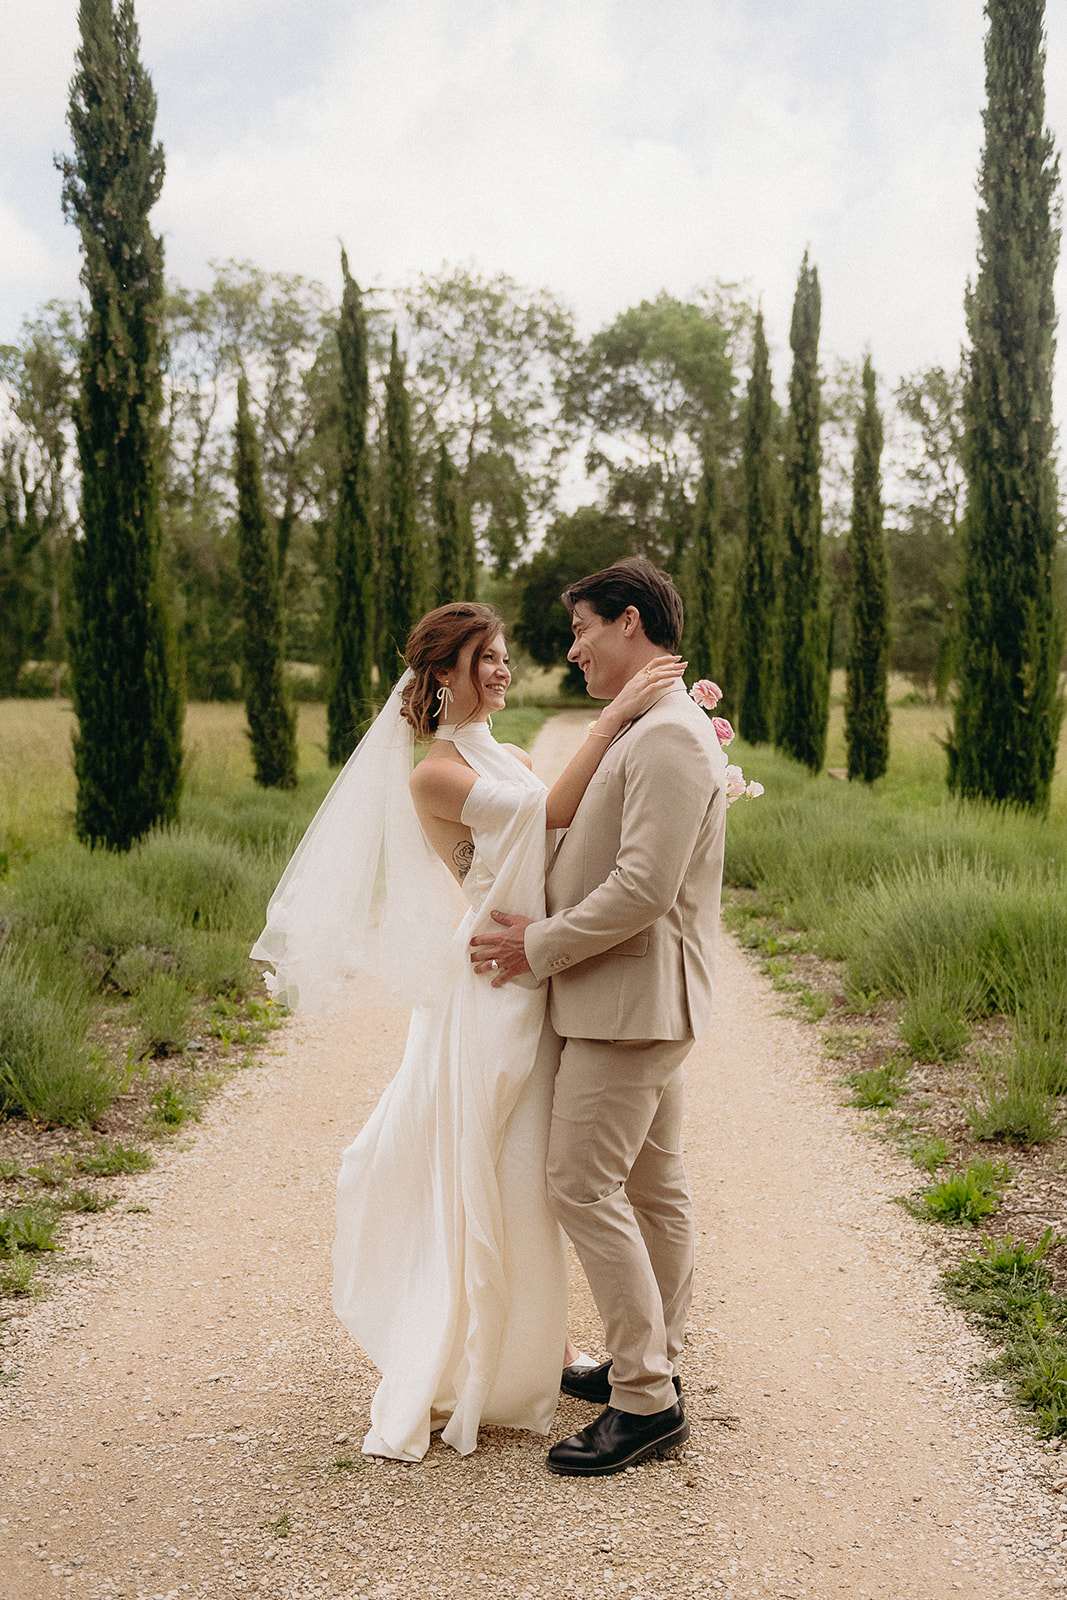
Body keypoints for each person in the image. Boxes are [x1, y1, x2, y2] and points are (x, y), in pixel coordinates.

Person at [250, 600, 683, 1461]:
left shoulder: (512, 752)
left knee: (534, 1171)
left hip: (539, 970)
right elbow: (550, 815)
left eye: (504, 654)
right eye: (484, 656)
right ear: (441, 672)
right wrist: (615, 717)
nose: (501, 668)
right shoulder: (434, 774)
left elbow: (579, 829)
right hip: (494, 980)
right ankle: (496, 1352)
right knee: (500, 1162)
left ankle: (553, 1352)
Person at [469, 557, 728, 1477]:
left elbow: (642, 890)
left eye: (580, 630)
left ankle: (646, 1402)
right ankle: (644, 1355)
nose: (572, 649)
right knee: (654, 1189)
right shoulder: (659, 723)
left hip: (629, 1005)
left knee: (580, 1185)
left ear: (627, 623)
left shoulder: (667, 736)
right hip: (637, 1001)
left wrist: (534, 945)